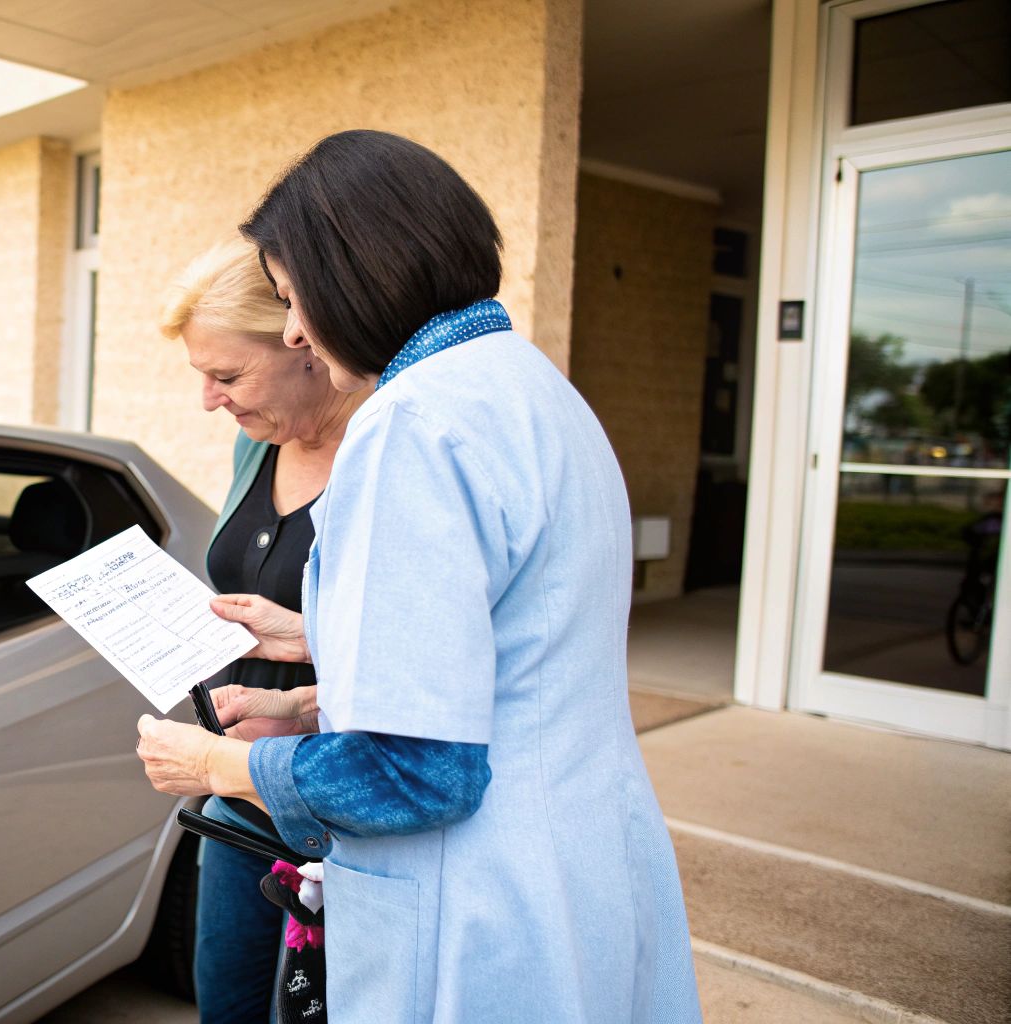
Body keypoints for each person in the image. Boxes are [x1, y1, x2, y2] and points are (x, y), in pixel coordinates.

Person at [135, 130, 701, 1022]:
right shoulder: (534, 390)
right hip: (576, 859)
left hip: (480, 903)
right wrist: (310, 698)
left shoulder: (411, 425)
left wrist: (220, 762)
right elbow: (509, 657)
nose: (293, 328)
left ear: (353, 274)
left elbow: (415, 775)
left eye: (292, 298)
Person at [160, 238, 364, 1022]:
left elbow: (416, 647)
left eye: (228, 376)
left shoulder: (383, 451)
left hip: (332, 809)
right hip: (236, 796)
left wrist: (307, 636)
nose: (212, 400)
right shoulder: (257, 442)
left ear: (302, 344)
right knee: (229, 1005)